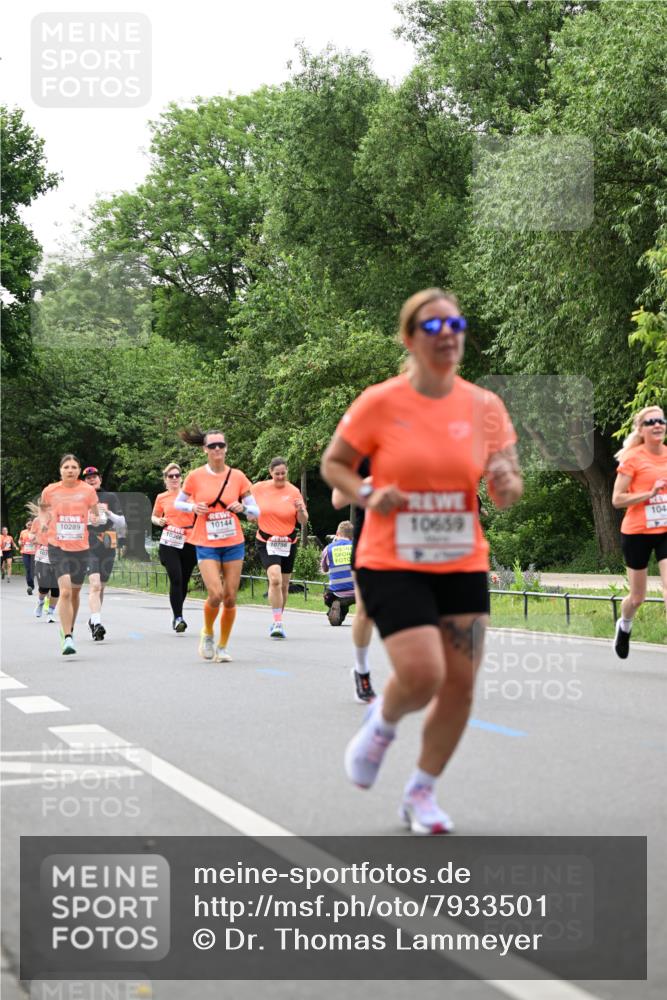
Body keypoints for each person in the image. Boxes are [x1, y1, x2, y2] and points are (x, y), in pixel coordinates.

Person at [321, 288, 522, 834]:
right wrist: (365, 495)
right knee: (424, 674)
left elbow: (506, 480)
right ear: (410, 338)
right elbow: (334, 465)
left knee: (459, 685)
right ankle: (383, 722)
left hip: (460, 559)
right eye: (434, 326)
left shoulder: (485, 406)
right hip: (391, 557)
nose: (449, 334)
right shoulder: (380, 402)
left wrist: (506, 481)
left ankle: (421, 791)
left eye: (455, 323)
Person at [176, 428, 259, 662]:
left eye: (220, 445)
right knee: (216, 593)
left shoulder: (238, 476)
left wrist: (244, 508)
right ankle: (208, 633)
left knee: (230, 597)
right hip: (206, 541)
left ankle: (222, 647)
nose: (217, 449)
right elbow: (178, 503)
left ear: (226, 447)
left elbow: (256, 511)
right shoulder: (195, 476)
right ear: (205, 450)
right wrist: (193, 507)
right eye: (212, 446)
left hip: (233, 541)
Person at [612, 405, 667, 658]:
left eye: (661, 420)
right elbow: (617, 499)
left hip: (665, 529)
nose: (657, 424)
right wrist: (650, 494)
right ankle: (624, 626)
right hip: (637, 532)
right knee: (637, 597)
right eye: (650, 422)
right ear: (641, 430)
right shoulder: (633, 459)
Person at [40, 454, 100, 654]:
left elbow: (95, 513)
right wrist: (44, 522)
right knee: (64, 591)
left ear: (78, 470)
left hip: (80, 547)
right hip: (57, 545)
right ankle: (67, 638)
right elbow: (43, 510)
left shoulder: (88, 490)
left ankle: (70, 629)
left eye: (74, 467)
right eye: (66, 467)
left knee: (74, 592)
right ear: (60, 470)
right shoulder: (50, 491)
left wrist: (95, 518)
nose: (70, 470)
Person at [331, 457, 377, 704]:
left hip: (406, 541)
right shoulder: (363, 457)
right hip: (369, 543)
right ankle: (361, 670)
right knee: (366, 610)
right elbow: (338, 498)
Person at [252, 457, 309, 639]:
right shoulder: (259, 488)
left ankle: (278, 619)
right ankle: (277, 622)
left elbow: (303, 520)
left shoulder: (293, 491)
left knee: (284, 585)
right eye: (277, 474)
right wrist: (250, 513)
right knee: (275, 579)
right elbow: (247, 507)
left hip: (288, 542)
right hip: (267, 541)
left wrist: (300, 510)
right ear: (271, 472)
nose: (280, 477)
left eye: (283, 473)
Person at [81, 466, 126, 641]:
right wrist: (86, 517)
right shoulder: (81, 498)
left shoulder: (110, 497)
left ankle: (93, 619)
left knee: (102, 586)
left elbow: (122, 522)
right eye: (88, 478)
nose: (92, 480)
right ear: (84, 481)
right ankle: (98, 623)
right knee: (95, 584)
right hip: (89, 542)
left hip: (108, 542)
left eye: (94, 477)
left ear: (100, 479)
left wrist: (108, 512)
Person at [151, 462, 197, 632]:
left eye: (177, 475)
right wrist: (159, 521)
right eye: (171, 476)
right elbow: (154, 517)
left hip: (189, 540)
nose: (175, 478)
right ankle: (179, 618)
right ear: (165, 479)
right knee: (176, 578)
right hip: (169, 541)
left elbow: (200, 514)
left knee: (184, 581)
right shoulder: (161, 497)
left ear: (181, 478)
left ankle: (177, 614)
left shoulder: (191, 496)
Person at [27, 504, 59, 623]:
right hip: (43, 556)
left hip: (58, 556)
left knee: (56, 589)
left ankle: (50, 613)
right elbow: (31, 536)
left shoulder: (60, 520)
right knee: (44, 587)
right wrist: (36, 536)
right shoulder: (37, 520)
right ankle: (40, 603)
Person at [320, 521, 356, 625]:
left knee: (327, 597)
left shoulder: (329, 548)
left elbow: (325, 569)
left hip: (336, 592)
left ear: (337, 533)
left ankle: (337, 605)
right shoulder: (358, 548)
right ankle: (341, 608)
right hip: (356, 593)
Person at [19, 520, 36, 594]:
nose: (30, 526)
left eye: (31, 525)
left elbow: (40, 540)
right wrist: (20, 543)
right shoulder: (23, 532)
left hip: (33, 553)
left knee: (32, 569)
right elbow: (20, 540)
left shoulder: (36, 532)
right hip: (25, 552)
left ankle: (31, 586)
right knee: (27, 568)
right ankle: (30, 586)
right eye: (28, 524)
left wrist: (34, 541)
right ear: (26, 525)